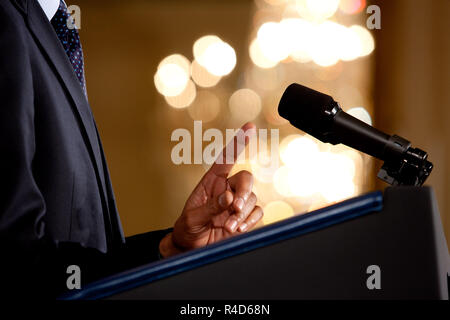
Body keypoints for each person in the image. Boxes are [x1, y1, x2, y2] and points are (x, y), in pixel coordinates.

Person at [0, 0, 263, 298]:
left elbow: (78, 246)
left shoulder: (51, 21)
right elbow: (15, 263)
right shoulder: (6, 19)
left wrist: (170, 248)